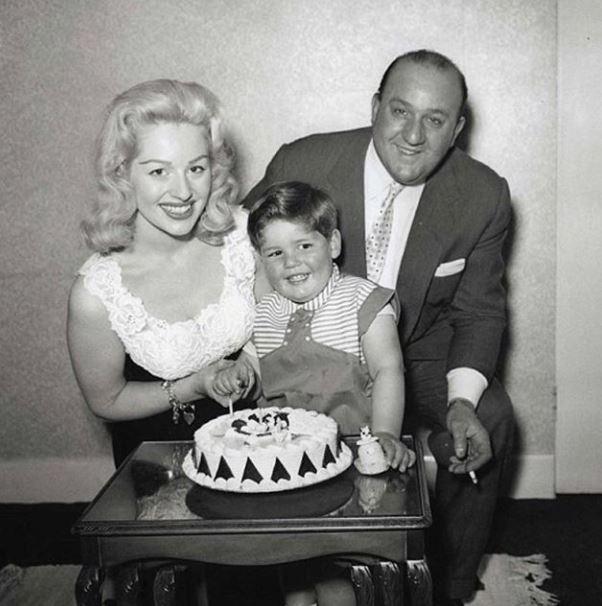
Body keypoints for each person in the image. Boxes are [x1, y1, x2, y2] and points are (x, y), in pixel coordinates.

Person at [242, 50, 515, 605]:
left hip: (422, 352)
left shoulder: (484, 194)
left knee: (490, 417)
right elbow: (241, 254)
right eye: (399, 111)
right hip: (317, 342)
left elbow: (480, 311)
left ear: (458, 128)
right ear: (374, 108)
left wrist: (462, 403)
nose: (414, 135)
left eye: (436, 120)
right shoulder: (306, 160)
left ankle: (454, 584)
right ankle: (274, 570)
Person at [215, 181, 415, 606]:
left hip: (351, 456)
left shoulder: (362, 300)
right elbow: (251, 368)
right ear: (261, 260)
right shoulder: (261, 314)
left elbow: (388, 370)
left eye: (304, 245)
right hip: (283, 461)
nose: (291, 262)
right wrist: (236, 374)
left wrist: (386, 432)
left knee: (337, 570)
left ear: (334, 243)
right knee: (292, 568)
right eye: (274, 253)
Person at [67, 79, 256, 469]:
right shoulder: (97, 293)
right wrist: (193, 386)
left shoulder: (245, 237)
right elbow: (106, 401)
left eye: (196, 168)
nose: (184, 191)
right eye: (159, 172)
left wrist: (250, 368)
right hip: (161, 467)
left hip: (263, 446)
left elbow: (284, 333)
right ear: (122, 174)